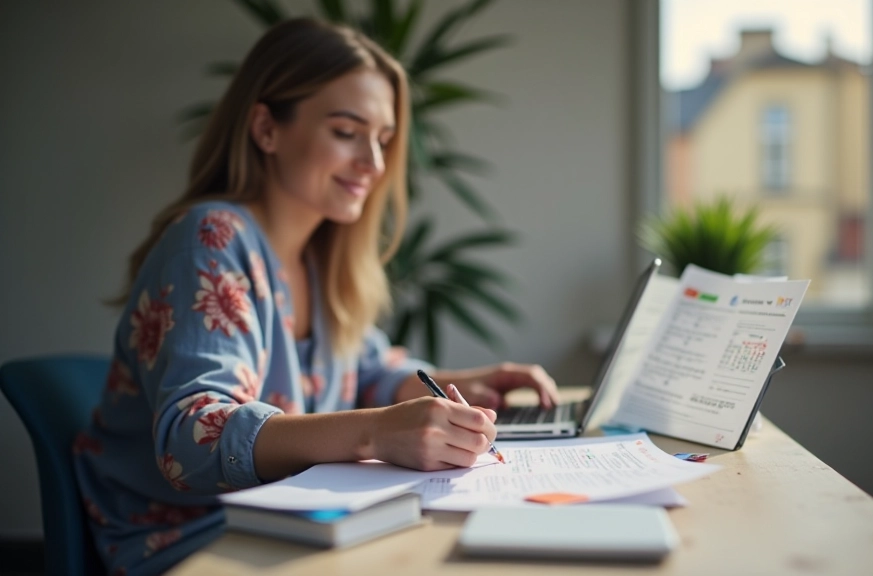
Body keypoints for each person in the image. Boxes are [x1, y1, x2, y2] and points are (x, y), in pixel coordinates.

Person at [73, 18, 558, 576]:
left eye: (383, 140)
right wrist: (376, 432)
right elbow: (191, 439)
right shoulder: (211, 239)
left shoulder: (319, 259)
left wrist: (468, 385)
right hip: (196, 541)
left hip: (291, 520)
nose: (374, 164)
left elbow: (368, 370)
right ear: (266, 128)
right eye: (347, 132)